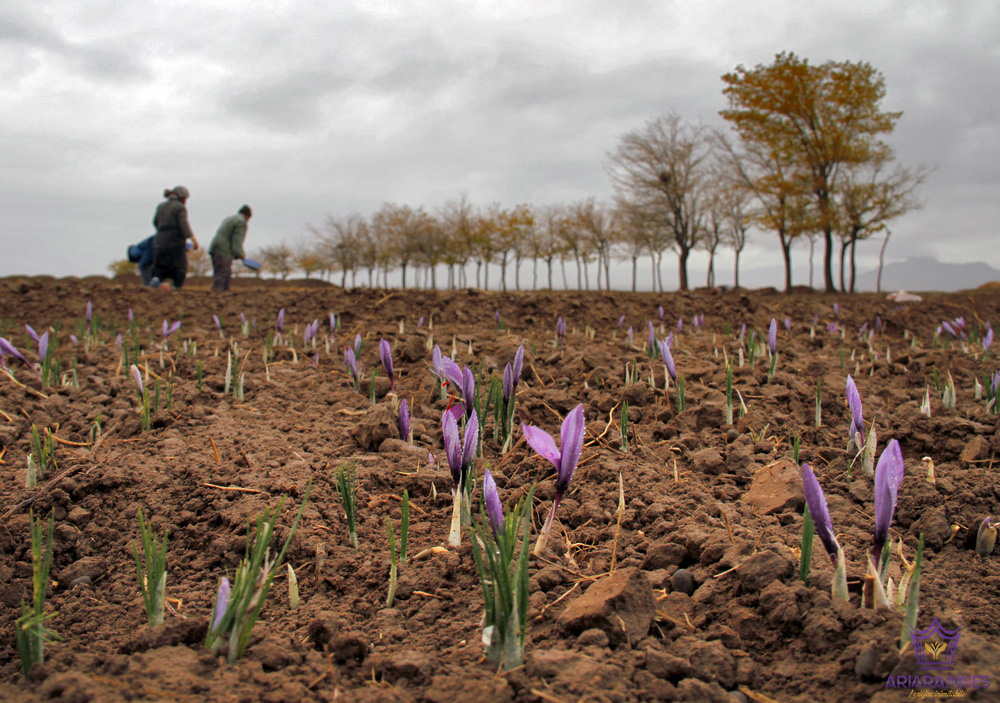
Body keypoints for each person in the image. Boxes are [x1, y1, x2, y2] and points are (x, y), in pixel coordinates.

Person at [149, 186, 199, 289]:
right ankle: (177, 286)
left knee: (160, 264)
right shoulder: (179, 207)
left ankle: (156, 280)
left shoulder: (161, 206)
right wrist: (193, 239)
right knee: (179, 266)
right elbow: (183, 225)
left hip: (160, 240)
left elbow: (155, 222)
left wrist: (162, 232)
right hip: (175, 241)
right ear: (182, 197)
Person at [208, 204, 252, 292]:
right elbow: (237, 241)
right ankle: (219, 296)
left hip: (214, 248)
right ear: (248, 216)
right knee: (223, 276)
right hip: (224, 250)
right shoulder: (241, 222)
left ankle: (219, 295)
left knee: (219, 273)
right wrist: (240, 254)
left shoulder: (229, 219)